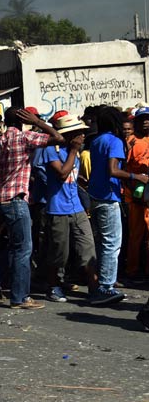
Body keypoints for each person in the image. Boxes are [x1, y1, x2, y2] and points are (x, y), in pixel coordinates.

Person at [0, 107, 64, 310]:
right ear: (23, 120)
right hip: (17, 198)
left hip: (1, 198)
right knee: (23, 249)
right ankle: (20, 297)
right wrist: (38, 122)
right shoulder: (25, 137)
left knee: (15, 246)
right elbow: (58, 138)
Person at [40, 113, 101, 303]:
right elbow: (61, 174)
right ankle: (53, 286)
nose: (83, 137)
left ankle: (94, 288)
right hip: (58, 209)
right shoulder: (52, 150)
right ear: (70, 135)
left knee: (88, 249)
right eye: (79, 134)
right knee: (59, 253)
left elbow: (72, 177)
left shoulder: (77, 153)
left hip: (77, 207)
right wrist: (74, 151)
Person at [88, 106, 146, 304]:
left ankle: (98, 284)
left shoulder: (96, 140)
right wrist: (136, 176)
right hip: (108, 197)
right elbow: (113, 170)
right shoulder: (114, 141)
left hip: (95, 196)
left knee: (100, 243)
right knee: (112, 244)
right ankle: (106, 287)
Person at [125, 107, 149, 279]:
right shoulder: (131, 141)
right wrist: (135, 192)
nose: (146, 121)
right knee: (136, 236)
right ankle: (132, 270)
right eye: (142, 119)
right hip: (136, 196)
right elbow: (123, 170)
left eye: (148, 118)